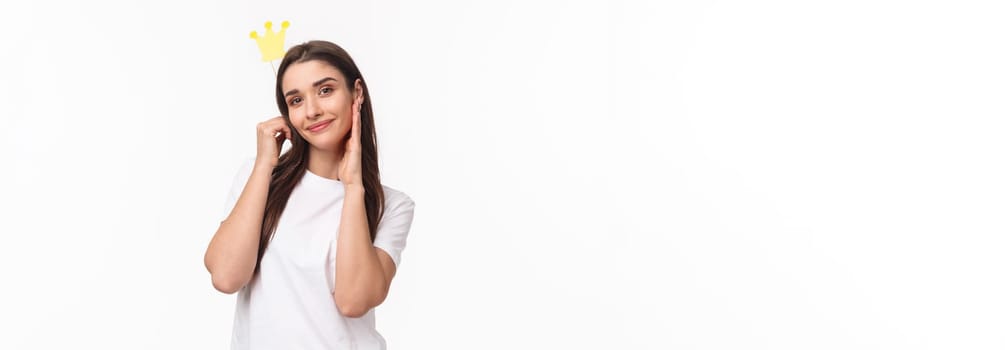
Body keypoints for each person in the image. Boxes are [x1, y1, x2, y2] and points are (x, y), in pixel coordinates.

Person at [204, 40, 416, 350]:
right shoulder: (259, 177)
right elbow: (225, 277)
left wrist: (354, 187)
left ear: (356, 93)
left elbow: (353, 301)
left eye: (325, 90)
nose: (313, 111)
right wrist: (265, 165)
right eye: (296, 100)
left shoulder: (393, 206)